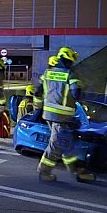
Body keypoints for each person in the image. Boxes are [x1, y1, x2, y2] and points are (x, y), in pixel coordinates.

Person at [33, 47, 94, 182]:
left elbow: (37, 92)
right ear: (68, 60)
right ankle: (44, 171)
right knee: (56, 145)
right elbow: (76, 93)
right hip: (62, 116)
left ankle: (76, 170)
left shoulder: (47, 73)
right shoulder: (70, 75)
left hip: (48, 114)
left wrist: (38, 108)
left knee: (66, 142)